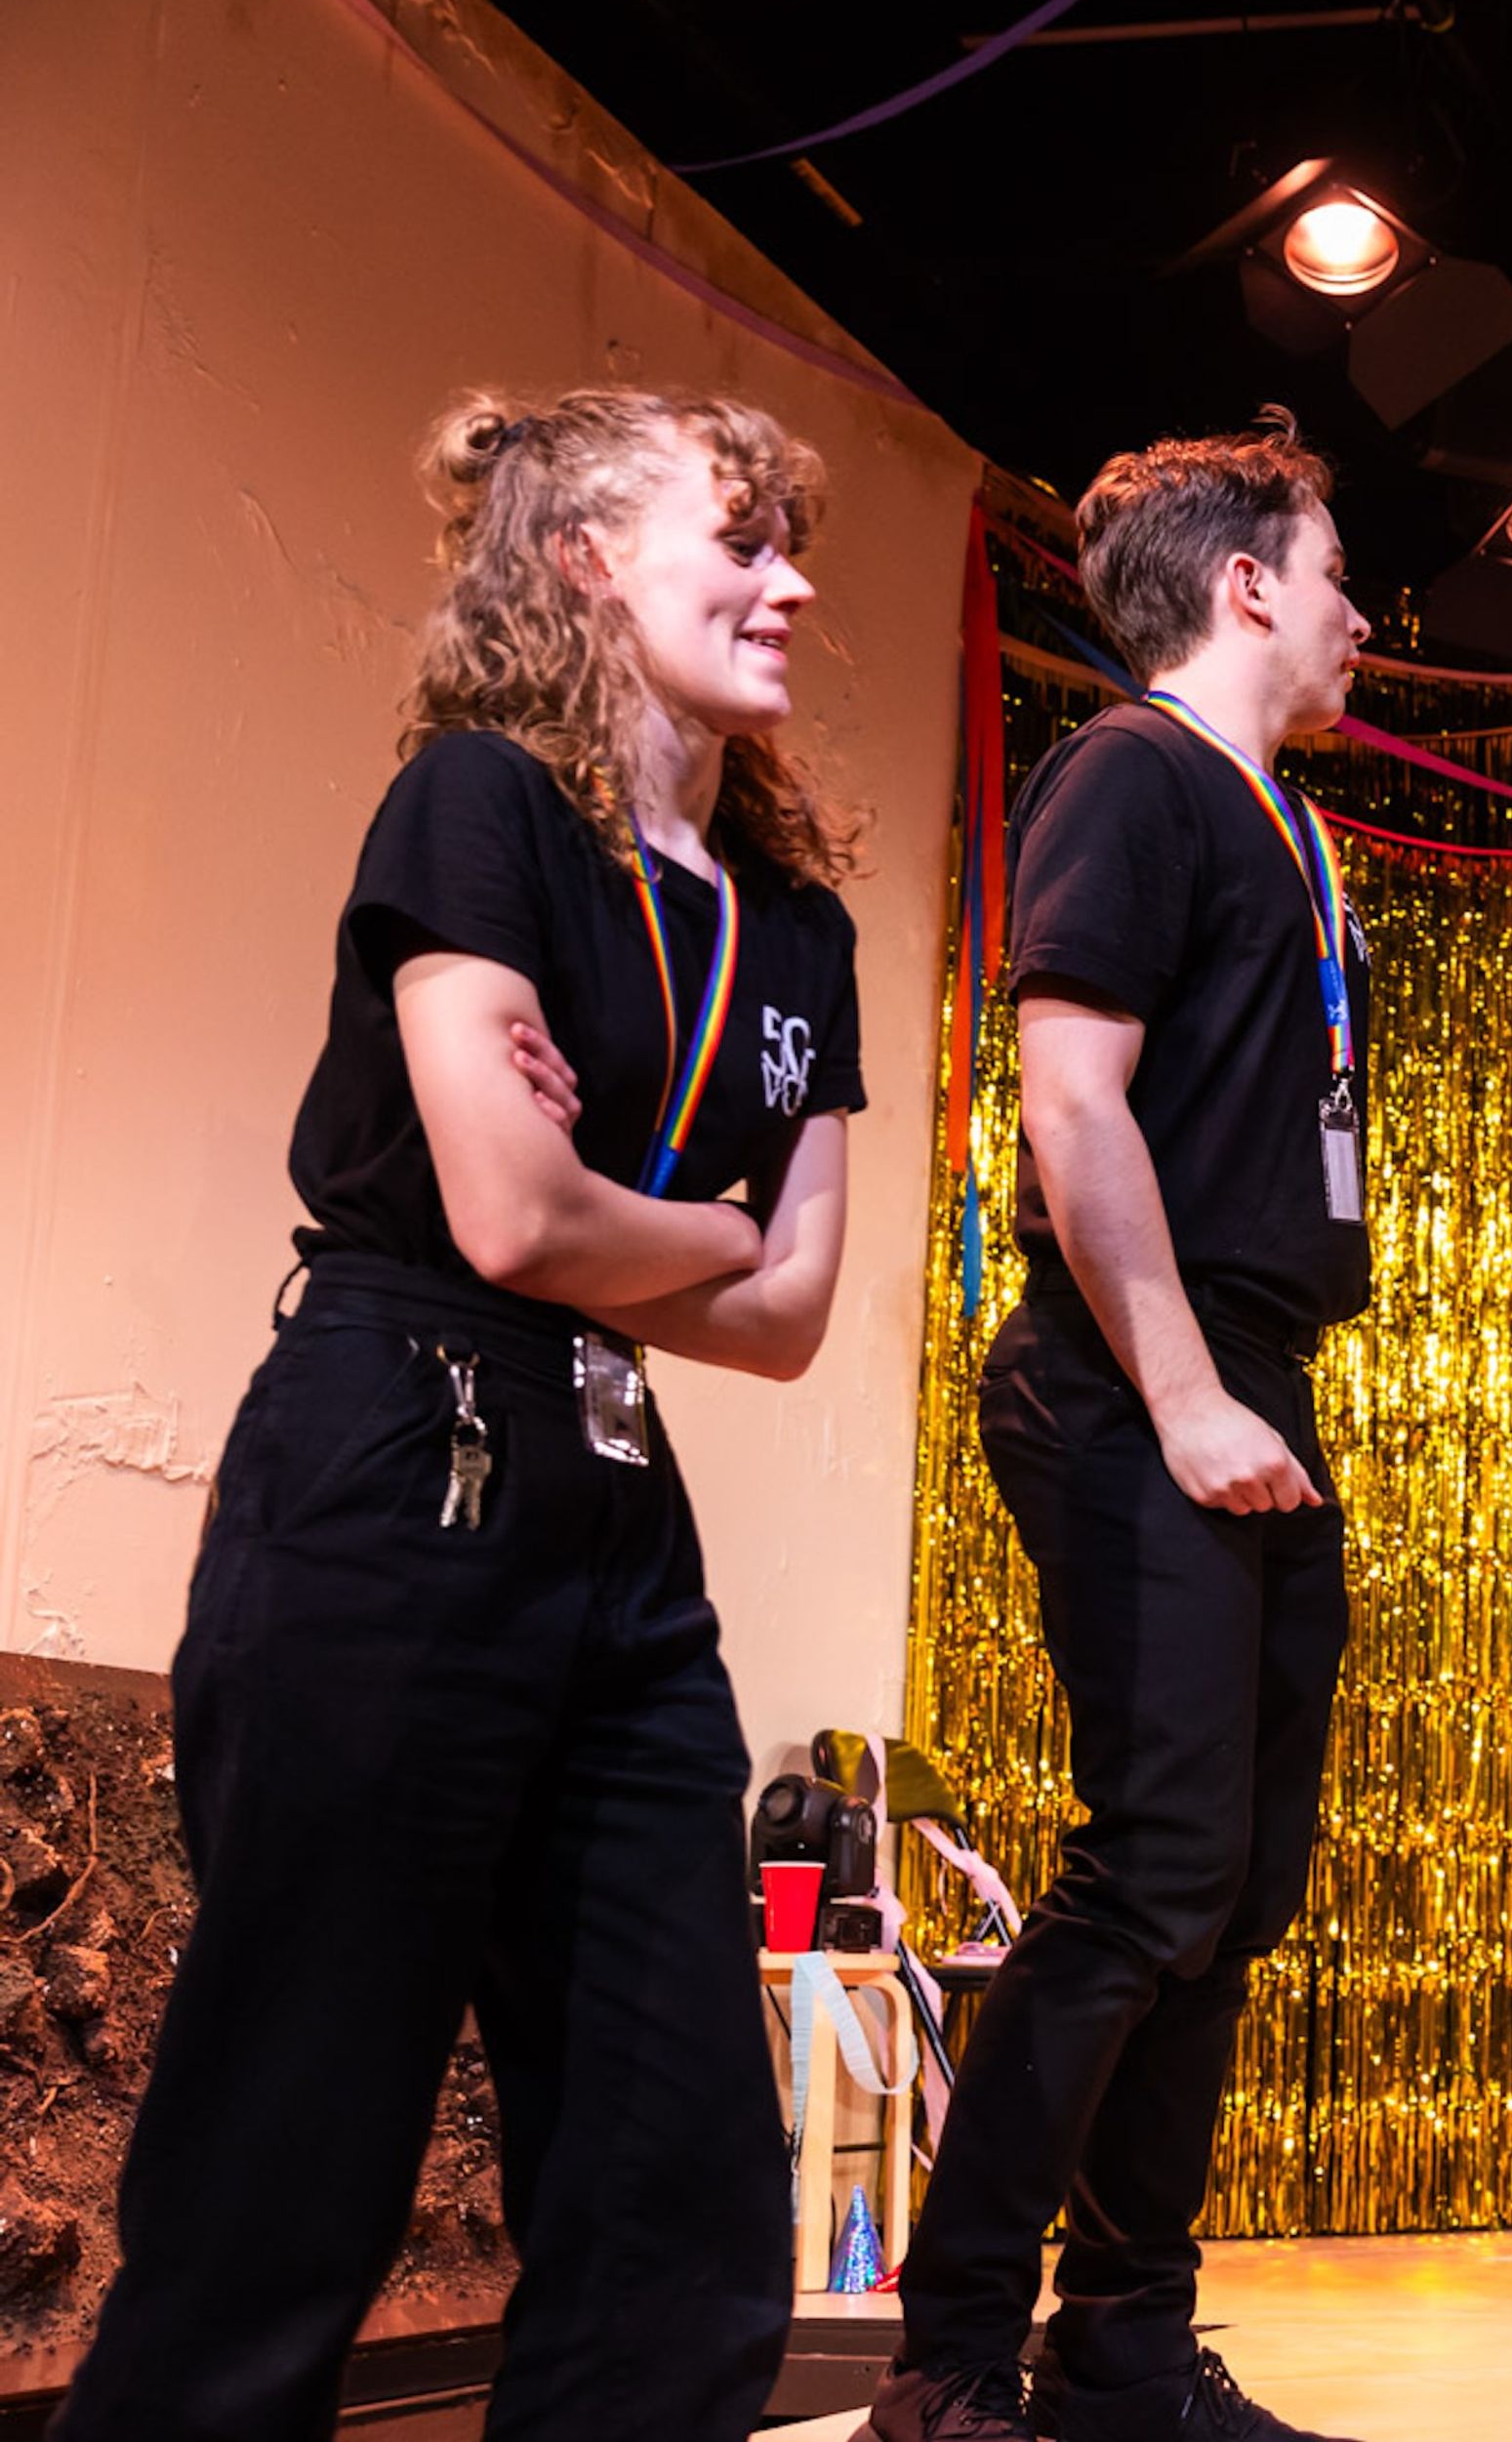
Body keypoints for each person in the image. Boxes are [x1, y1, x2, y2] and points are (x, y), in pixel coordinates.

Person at [59, 388, 865, 2440]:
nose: (794, 582)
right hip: (392, 1452)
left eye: (797, 544)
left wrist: (629, 1217)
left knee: (678, 2192)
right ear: (586, 558)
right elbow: (509, 1211)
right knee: (287, 2163)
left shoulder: (804, 930)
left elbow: (788, 1319)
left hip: (616, 1503)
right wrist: (691, 1215)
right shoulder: (479, 804)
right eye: (743, 537)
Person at [868, 414, 1371, 2442]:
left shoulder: (1282, 819)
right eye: (1335, 572)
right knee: (1154, 1866)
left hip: (1257, 1361)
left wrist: (1235, 1383)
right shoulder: (1133, 772)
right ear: (1246, 582)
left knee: (1230, 1886)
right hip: (1126, 1369)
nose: (1356, 614)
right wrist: (1172, 1388)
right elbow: (1070, 1101)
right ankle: (946, 2363)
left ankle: (1124, 2350)